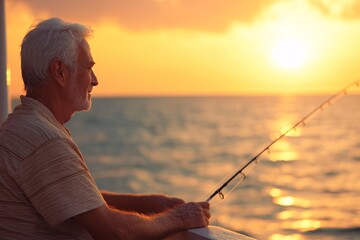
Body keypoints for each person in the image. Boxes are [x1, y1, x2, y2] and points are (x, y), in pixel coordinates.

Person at [0, 18, 210, 240]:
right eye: (88, 67)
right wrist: (177, 218)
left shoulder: (20, 126)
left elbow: (76, 198)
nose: (95, 80)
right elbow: (113, 232)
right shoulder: (44, 139)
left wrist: (146, 203)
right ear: (60, 71)